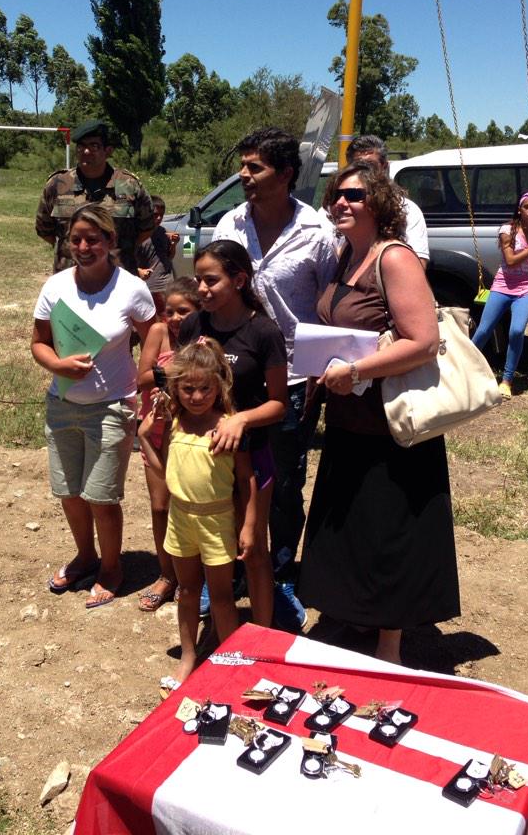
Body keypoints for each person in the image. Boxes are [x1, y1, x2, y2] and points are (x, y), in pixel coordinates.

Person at [297, 162, 460, 664]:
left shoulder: (394, 258)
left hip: (391, 426)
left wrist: (357, 369)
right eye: (336, 195)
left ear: (380, 203)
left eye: (354, 195)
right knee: (354, 527)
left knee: (391, 532)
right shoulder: (348, 255)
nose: (341, 203)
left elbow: (424, 341)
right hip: (351, 423)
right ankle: (354, 618)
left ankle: (389, 645)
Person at [212, 127, 338, 628]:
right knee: (226, 480)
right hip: (231, 377)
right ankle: (232, 572)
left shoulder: (318, 234)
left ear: (286, 175)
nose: (244, 176)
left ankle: (281, 573)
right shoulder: (230, 224)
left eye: (255, 167)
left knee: (282, 482)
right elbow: (214, 290)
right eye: (243, 165)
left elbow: (331, 305)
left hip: (289, 381)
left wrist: (318, 367)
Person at [31, 204, 156, 607]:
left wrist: (149, 383)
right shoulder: (55, 286)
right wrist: (57, 363)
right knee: (69, 492)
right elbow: (38, 341)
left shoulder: (131, 288)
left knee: (101, 496)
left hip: (112, 406)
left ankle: (112, 567)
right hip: (62, 404)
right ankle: (86, 557)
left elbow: (155, 337)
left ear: (110, 242)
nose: (84, 247)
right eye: (76, 239)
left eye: (93, 239)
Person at [179, 239, 287, 627]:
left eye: (211, 280)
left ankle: (263, 633)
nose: (202, 289)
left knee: (253, 548)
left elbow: (279, 403)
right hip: (203, 457)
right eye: (198, 281)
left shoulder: (263, 332)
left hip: (251, 456)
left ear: (239, 280)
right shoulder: (193, 325)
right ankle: (223, 626)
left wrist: (240, 419)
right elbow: (183, 384)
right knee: (212, 546)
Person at [138, 339, 257, 687]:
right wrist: (145, 438)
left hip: (217, 521)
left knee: (221, 597)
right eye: (187, 388)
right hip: (180, 520)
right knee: (188, 592)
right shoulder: (175, 423)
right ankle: (190, 656)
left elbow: (246, 480)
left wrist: (248, 525)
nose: (196, 396)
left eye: (205, 387)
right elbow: (166, 473)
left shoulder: (229, 425)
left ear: (218, 385)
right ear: (175, 388)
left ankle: (229, 658)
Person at [135, 277, 201, 611]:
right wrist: (173, 371)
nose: (174, 319)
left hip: (188, 432)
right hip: (156, 427)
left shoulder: (205, 338)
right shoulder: (159, 334)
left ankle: (192, 576)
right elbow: (142, 376)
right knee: (160, 506)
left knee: (188, 505)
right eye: (169, 311)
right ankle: (166, 573)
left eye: (183, 312)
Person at [35, 119, 155, 275]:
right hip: (70, 278)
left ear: (108, 151)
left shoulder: (128, 185)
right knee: (61, 301)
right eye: (81, 146)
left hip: (117, 277)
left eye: (94, 146)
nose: (86, 152)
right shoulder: (58, 184)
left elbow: (147, 227)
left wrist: (118, 250)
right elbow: (44, 229)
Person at [471, 190, 528, 398]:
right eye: (527, 206)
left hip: (527, 288)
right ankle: (464, 368)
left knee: (516, 331)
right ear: (519, 209)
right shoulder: (508, 229)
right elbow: (511, 261)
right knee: (483, 330)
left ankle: (506, 380)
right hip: (503, 285)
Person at [346, 135, 429, 266]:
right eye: (358, 166)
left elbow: (416, 266)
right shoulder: (335, 208)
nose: (365, 172)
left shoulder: (407, 209)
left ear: (384, 166)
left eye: (370, 165)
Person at [136, 195, 179, 315]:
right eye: (155, 215)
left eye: (162, 215)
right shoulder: (139, 236)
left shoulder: (162, 231)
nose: (159, 218)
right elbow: (125, 262)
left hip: (168, 285)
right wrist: (139, 271)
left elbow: (169, 257)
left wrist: (174, 244)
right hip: (151, 288)